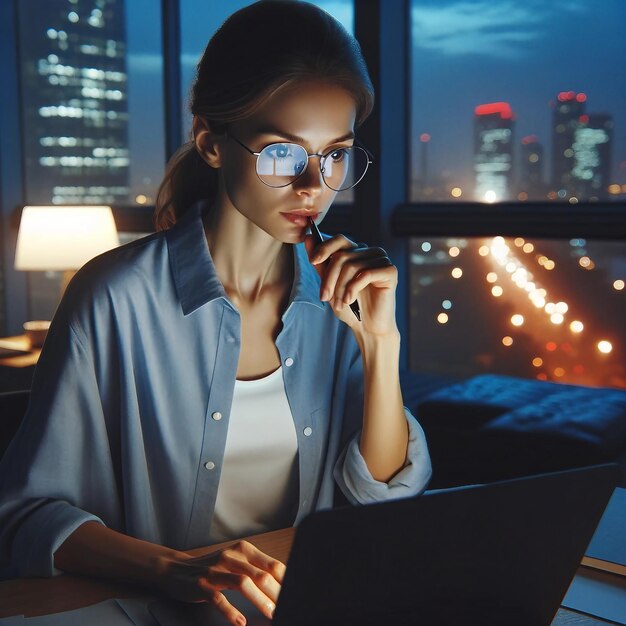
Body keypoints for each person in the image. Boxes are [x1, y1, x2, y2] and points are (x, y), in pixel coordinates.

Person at [0, 2, 431, 624]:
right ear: (210, 142)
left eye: (335, 154)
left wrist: (381, 344)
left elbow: (382, 495)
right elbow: (28, 514)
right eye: (283, 154)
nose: (314, 185)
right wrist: (172, 569)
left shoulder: (341, 297)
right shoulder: (114, 297)